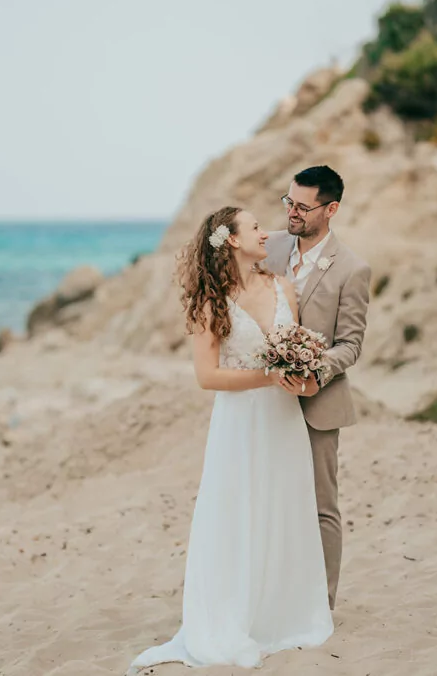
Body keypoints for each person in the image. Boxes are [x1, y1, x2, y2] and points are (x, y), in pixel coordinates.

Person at [127, 205, 333, 673]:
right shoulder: (211, 303)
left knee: (283, 507)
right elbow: (207, 376)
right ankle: (232, 614)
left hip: (283, 419)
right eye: (256, 227)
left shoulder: (283, 288)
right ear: (233, 241)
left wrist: (303, 378)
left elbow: (297, 357)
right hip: (239, 423)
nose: (267, 232)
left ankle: (282, 614)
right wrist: (266, 376)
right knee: (236, 512)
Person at [263, 165, 371, 611]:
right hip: (266, 399)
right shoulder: (268, 248)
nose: (292, 212)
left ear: (331, 210)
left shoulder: (353, 269)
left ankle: (320, 605)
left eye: (303, 207)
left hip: (319, 403)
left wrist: (314, 369)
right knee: (271, 498)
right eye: (289, 202)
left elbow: (351, 343)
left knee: (321, 506)